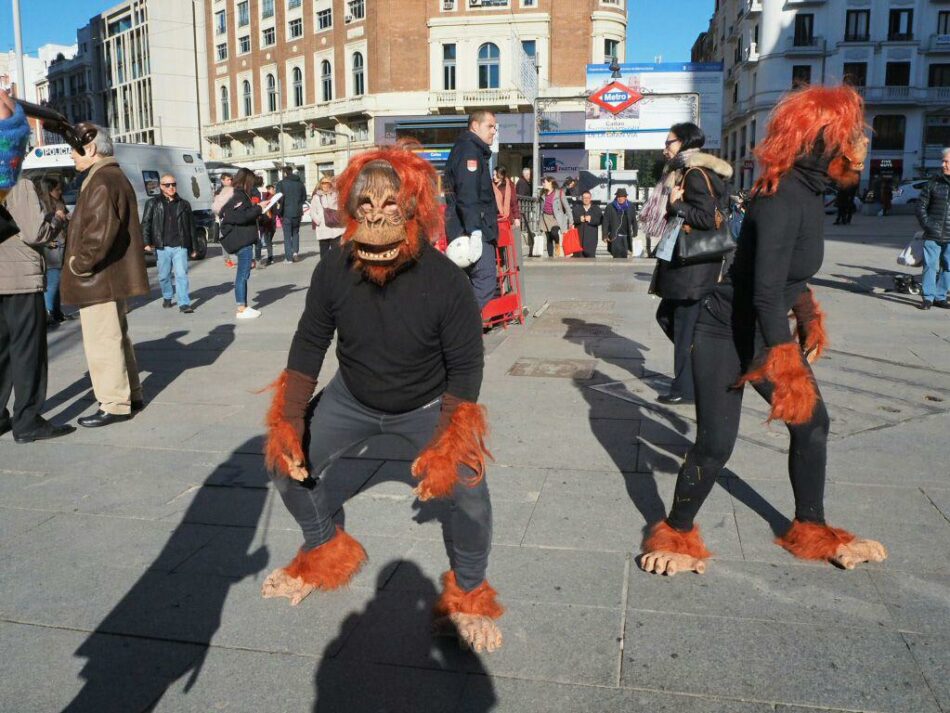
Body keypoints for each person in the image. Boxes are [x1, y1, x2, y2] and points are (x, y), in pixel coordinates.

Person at [261, 144, 503, 653]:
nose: (376, 219)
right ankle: (325, 546)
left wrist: (444, 443)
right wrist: (289, 423)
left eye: (390, 206)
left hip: (427, 405)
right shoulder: (333, 269)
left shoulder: (444, 281)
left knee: (472, 496)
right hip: (352, 398)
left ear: (413, 209)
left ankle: (469, 591)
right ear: (350, 211)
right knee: (286, 466)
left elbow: (466, 367)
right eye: (365, 207)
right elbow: (309, 343)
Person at [639, 85, 886, 577]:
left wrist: (810, 313)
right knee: (715, 444)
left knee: (813, 424)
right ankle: (676, 531)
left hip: (761, 326)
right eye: (850, 134)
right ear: (820, 140)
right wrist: (785, 359)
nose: (861, 144)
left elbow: (785, 276)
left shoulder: (810, 194)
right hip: (723, 332)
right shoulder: (782, 197)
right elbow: (765, 292)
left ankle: (810, 529)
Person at [62, 123, 149, 428]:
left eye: (75, 150)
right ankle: (130, 395)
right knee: (117, 338)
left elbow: (99, 235)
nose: (71, 156)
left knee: (103, 342)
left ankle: (114, 403)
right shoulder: (114, 176)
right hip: (110, 278)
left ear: (92, 149)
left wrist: (77, 265)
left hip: (99, 278)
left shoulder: (101, 179)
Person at [0, 91, 74, 443]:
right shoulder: (16, 182)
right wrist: (57, 220)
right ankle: (27, 420)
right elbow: (35, 231)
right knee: (28, 350)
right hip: (20, 279)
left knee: (0, 350)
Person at [645, 121, 734, 405]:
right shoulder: (684, 174)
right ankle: (699, 370)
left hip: (692, 269)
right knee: (670, 319)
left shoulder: (694, 175)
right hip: (687, 269)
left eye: (669, 142)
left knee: (684, 328)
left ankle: (685, 388)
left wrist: (676, 206)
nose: (665, 148)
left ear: (684, 144)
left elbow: (708, 218)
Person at [443, 111, 499, 308]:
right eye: (490, 126)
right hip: (472, 229)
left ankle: (457, 327)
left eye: (495, 127)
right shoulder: (469, 151)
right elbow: (468, 194)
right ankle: (459, 329)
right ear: (475, 126)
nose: (494, 131)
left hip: (469, 226)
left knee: (468, 284)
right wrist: (475, 231)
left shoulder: (470, 149)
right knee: (485, 281)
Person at [141, 173, 196, 313]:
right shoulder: (153, 203)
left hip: (180, 246)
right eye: (167, 185)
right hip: (162, 247)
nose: (171, 187)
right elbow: (146, 223)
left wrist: (194, 247)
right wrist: (146, 242)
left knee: (181, 274)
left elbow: (191, 227)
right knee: (164, 276)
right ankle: (167, 295)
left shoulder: (184, 204)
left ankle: (184, 303)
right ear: (161, 186)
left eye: (173, 184)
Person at [220, 168, 262, 319]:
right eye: (252, 182)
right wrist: (258, 209)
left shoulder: (238, 194)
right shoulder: (238, 195)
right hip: (242, 240)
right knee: (242, 274)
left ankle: (243, 306)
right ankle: (241, 308)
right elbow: (240, 217)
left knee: (244, 273)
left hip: (243, 238)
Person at [915, 147, 950, 310]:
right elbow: (920, 206)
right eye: (942, 161)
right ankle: (928, 298)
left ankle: (940, 297)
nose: (943, 164)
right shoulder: (933, 183)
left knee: (949, 267)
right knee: (930, 265)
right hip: (933, 233)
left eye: (947, 161)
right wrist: (928, 224)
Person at [37, 177, 72, 326]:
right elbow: (42, 226)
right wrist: (58, 217)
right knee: (53, 279)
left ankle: (56, 312)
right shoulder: (43, 204)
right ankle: (50, 312)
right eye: (57, 189)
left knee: (58, 280)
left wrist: (67, 217)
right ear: (49, 190)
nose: (60, 191)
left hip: (62, 242)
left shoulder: (59, 202)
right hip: (51, 245)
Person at [275, 166, 307, 263]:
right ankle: (295, 253)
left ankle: (289, 257)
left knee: (287, 235)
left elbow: (279, 198)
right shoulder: (300, 184)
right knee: (296, 233)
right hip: (298, 212)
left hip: (286, 212)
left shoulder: (281, 184)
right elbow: (304, 198)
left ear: (284, 173)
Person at [310, 175, 344, 260]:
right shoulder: (316, 197)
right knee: (324, 252)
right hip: (323, 227)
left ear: (331, 184)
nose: (325, 185)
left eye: (327, 183)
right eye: (323, 183)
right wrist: (318, 220)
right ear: (320, 184)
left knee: (337, 252)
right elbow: (312, 211)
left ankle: (336, 270)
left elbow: (342, 208)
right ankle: (325, 270)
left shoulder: (336, 195)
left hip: (336, 228)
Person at [539, 176, 570, 258]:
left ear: (550, 183)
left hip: (556, 218)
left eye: (544, 182)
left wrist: (571, 221)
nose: (543, 184)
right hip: (545, 217)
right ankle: (550, 257)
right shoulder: (543, 193)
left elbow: (567, 207)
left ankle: (557, 243)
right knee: (548, 238)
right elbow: (541, 206)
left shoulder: (559, 192)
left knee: (554, 232)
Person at [602, 188, 637, 258]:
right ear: (616, 197)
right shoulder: (610, 207)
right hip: (615, 236)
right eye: (619, 197)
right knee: (616, 255)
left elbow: (634, 220)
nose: (620, 198)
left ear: (625, 197)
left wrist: (635, 231)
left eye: (622, 197)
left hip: (626, 236)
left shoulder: (631, 206)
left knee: (624, 255)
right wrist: (605, 235)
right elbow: (605, 222)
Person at [213, 173, 236, 268]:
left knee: (238, 237)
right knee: (225, 238)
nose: (230, 181)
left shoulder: (235, 190)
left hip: (235, 217)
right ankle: (227, 260)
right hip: (224, 218)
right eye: (227, 179)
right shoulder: (219, 192)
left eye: (230, 179)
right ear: (222, 181)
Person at [572, 190, 602, 258]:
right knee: (578, 260)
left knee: (590, 261)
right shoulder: (576, 208)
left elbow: (600, 221)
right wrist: (579, 220)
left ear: (590, 198)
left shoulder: (596, 209)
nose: (586, 199)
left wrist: (591, 219)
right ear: (582, 199)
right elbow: (572, 220)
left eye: (587, 198)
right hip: (579, 239)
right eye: (584, 198)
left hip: (591, 240)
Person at [256, 183, 276, 267]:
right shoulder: (270, 197)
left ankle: (259, 259)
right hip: (268, 221)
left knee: (261, 241)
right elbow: (275, 211)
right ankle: (270, 258)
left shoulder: (258, 195)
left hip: (262, 221)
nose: (273, 190)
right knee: (268, 241)